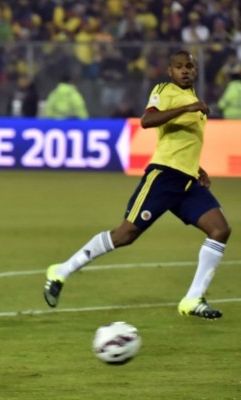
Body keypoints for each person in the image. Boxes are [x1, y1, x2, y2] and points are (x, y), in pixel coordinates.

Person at [43, 50, 232, 320]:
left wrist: (197, 168)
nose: (185, 70)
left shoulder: (193, 98)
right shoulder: (165, 90)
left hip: (187, 180)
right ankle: (61, 271)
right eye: (179, 66)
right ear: (170, 71)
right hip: (164, 176)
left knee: (220, 229)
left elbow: (180, 141)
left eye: (189, 66)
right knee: (125, 235)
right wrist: (186, 109)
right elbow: (147, 120)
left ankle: (192, 299)